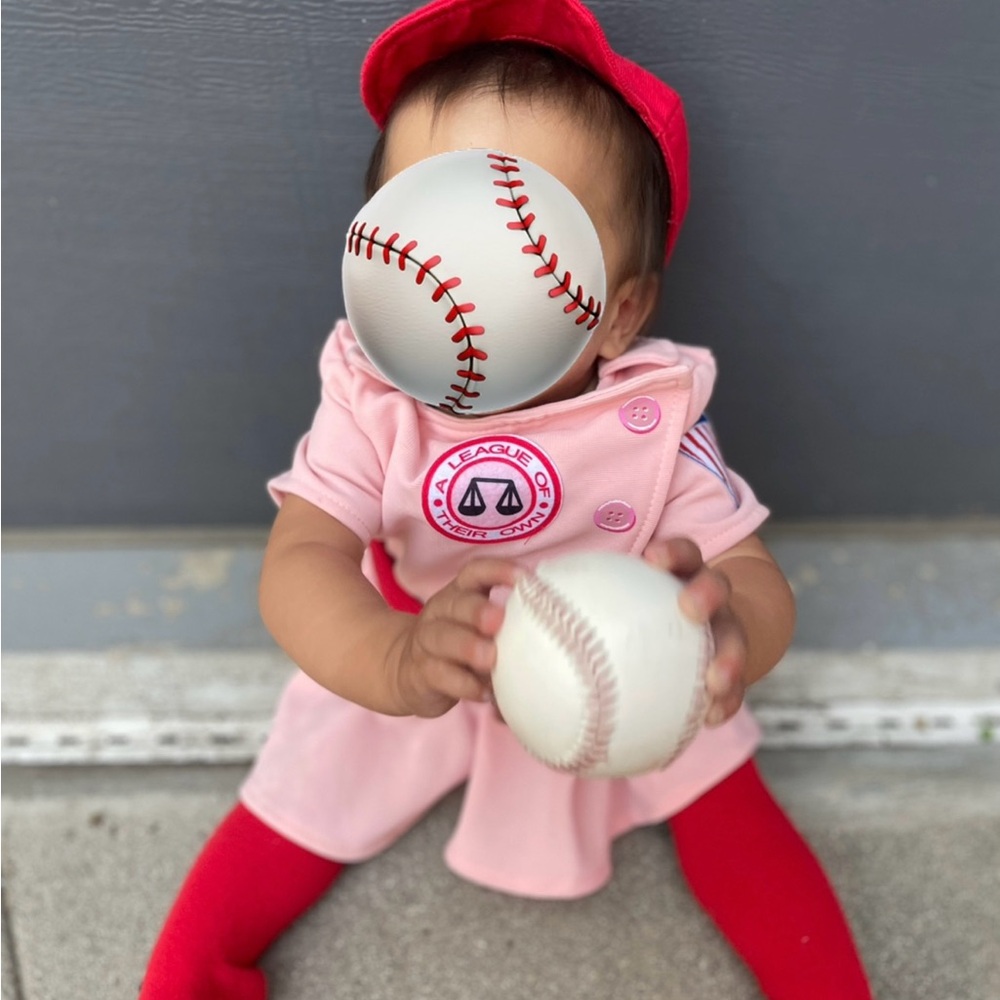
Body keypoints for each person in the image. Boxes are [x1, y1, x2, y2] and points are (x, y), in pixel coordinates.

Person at [141, 1, 873, 997]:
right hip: (408, 659)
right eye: (431, 221)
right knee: (244, 868)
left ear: (619, 310)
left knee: (739, 824)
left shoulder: (648, 419)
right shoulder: (373, 394)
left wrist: (725, 632)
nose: (465, 267)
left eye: (515, 233)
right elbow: (302, 557)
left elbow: (748, 572)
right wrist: (389, 660)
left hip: (622, 671)